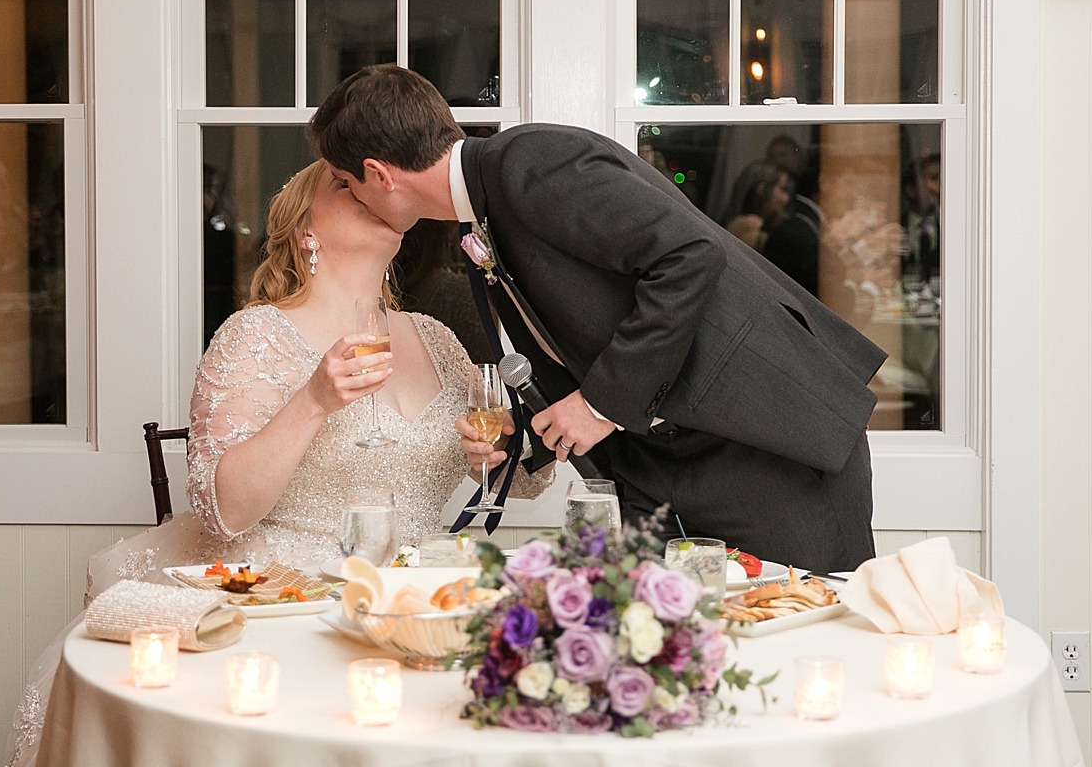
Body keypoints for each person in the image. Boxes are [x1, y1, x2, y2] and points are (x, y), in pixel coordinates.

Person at [2, 158, 551, 767]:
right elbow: (223, 511)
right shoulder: (254, 335)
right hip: (289, 601)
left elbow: (512, 476)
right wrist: (313, 400)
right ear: (302, 230)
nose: (366, 188)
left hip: (419, 604)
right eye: (342, 184)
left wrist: (494, 450)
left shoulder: (436, 337)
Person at [309, 64, 888, 573]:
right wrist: (522, 437)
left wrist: (598, 405)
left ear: (378, 173)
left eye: (344, 182)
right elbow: (575, 335)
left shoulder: (530, 162)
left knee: (798, 645)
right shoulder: (479, 214)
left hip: (768, 450)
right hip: (662, 468)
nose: (351, 198)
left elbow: (688, 258)